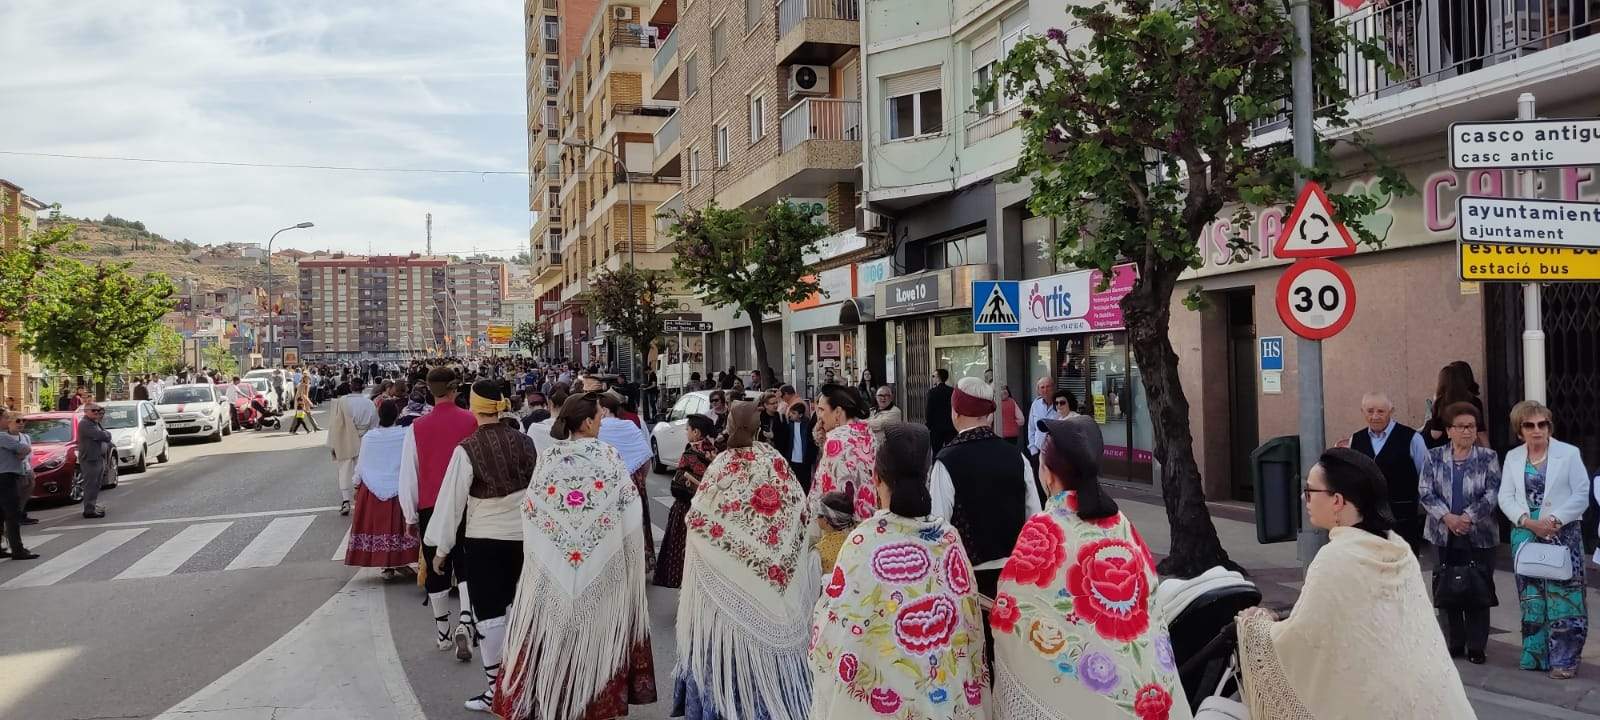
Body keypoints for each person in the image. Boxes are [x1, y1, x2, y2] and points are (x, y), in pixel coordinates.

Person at [1235, 447, 1474, 718]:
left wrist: (1256, 626)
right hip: (1434, 698)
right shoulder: (1398, 547)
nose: (1304, 499)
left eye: (1310, 491)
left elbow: (1302, 639)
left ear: (1337, 500)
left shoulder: (1335, 558)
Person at [991, 415, 1187, 719]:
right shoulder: (1121, 523)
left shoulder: (1044, 528)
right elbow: (1149, 595)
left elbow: (1011, 610)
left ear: (1048, 476)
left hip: (1083, 694)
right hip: (1144, 687)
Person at [494, 392, 657, 720]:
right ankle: (592, 707)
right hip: (602, 570)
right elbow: (629, 510)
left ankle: (553, 703)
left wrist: (547, 550)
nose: (601, 422)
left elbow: (531, 511)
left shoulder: (548, 458)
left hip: (553, 567)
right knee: (597, 642)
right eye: (598, 417)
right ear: (586, 422)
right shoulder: (608, 456)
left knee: (551, 641)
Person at [808, 422, 988, 718]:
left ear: (875, 477)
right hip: (941, 699)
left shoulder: (862, 540)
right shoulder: (947, 538)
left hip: (881, 700)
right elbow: (968, 626)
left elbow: (836, 627)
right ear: (927, 475)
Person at [672, 401, 813, 720]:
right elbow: (799, 511)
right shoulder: (774, 460)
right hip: (770, 582)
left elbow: (699, 520)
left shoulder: (722, 464)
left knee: (726, 651)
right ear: (759, 428)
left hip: (729, 580)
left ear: (730, 427)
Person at [427, 380, 540, 712]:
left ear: (474, 408)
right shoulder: (526, 442)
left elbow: (451, 503)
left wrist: (442, 549)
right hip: (526, 538)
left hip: (485, 541)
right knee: (522, 612)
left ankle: (496, 691)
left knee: (489, 615)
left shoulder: (467, 449)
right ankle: (528, 684)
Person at [930, 378, 1040, 646]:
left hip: (968, 578)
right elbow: (1034, 518)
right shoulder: (1016, 456)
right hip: (1013, 576)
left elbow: (938, 529)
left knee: (975, 653)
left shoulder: (946, 461)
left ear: (955, 412)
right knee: (1009, 651)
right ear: (989, 415)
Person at [1498, 400, 1590, 679]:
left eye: (1542, 424)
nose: (1537, 430)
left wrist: (1554, 521)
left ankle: (1565, 660)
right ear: (1520, 431)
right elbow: (1505, 497)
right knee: (1532, 597)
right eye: (1529, 425)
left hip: (1562, 533)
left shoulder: (1569, 453)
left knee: (1564, 597)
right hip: (1525, 532)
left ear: (1549, 427)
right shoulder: (1513, 457)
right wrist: (1528, 522)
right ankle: (1536, 655)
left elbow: (1581, 494)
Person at [1418, 402, 1500, 665]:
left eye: (1471, 426)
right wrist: (1447, 517)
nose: (1467, 431)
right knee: (1447, 587)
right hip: (1442, 534)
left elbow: (1493, 493)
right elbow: (1425, 491)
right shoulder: (1434, 456)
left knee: (1478, 587)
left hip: (1480, 534)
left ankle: (1476, 646)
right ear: (1449, 430)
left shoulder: (1488, 457)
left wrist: (1467, 517)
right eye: (1462, 427)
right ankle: (1453, 642)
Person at [344, 400, 419, 579]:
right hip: (399, 486)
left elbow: (362, 464)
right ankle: (398, 563)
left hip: (373, 488)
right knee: (397, 528)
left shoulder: (369, 437)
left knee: (379, 527)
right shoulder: (405, 434)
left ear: (379, 416)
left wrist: (356, 484)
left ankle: (387, 566)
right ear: (397, 415)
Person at [1347, 392, 1427, 549]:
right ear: (1362, 412)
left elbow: (1425, 476)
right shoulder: (1355, 440)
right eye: (1370, 411)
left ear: (1391, 411)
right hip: (1368, 521)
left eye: (1381, 411)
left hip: (1403, 519)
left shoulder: (1412, 438)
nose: (1375, 416)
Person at [598, 391, 658, 573]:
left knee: (612, 525)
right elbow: (645, 456)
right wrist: (641, 479)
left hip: (607, 482)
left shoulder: (598, 428)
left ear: (604, 410)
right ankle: (640, 562)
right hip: (633, 480)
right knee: (636, 522)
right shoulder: (630, 426)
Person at [654, 414, 716, 589]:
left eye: (687, 429)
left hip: (686, 505)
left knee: (680, 543)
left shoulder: (690, 454)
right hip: (708, 506)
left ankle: (677, 579)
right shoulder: (715, 451)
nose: (686, 432)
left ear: (696, 432)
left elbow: (678, 482)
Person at [811, 384, 878, 521]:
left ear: (838, 412)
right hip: (870, 515)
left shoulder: (836, 440)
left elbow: (830, 489)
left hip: (845, 522)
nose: (819, 416)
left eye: (822, 410)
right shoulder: (867, 434)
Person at [327, 377, 377, 516]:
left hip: (345, 438)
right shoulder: (369, 403)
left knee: (344, 469)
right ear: (363, 387)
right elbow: (375, 425)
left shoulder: (341, 402)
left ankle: (345, 501)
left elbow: (334, 425)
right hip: (364, 439)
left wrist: (332, 444)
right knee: (363, 470)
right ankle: (361, 499)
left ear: (350, 387)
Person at [0, 409, 40, 560]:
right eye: (6, 418)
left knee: (1, 514)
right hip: (6, 478)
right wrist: (21, 452)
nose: (21, 423)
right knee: (12, 514)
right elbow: (25, 448)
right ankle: (18, 550)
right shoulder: (2, 436)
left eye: (23, 420)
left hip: (7, 476)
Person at [1421, 362, 1487, 449]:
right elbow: (1481, 433)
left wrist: (1429, 424)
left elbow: (1435, 434)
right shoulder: (1475, 401)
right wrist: (1491, 453)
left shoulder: (1440, 402)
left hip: (1442, 449)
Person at [77, 402, 113, 519]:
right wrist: (106, 434)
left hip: (97, 457)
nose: (96, 413)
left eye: (98, 411)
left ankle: (92, 505)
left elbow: (105, 435)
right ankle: (89, 510)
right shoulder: (85, 424)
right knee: (91, 485)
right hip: (90, 459)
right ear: (86, 411)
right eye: (93, 410)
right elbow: (102, 436)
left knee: (96, 485)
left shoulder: (94, 423)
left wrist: (105, 434)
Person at [772, 401, 818, 494]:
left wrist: (811, 458)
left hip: (804, 461)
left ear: (800, 415)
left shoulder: (807, 426)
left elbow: (812, 443)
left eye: (794, 413)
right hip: (791, 460)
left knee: (805, 485)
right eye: (790, 412)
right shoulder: (788, 425)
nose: (790, 415)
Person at [810, 490, 856, 576]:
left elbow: (813, 583)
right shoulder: (854, 543)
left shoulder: (818, 553)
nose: (816, 518)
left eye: (818, 514)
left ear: (826, 520)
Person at [1026, 377, 1057, 476]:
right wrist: (1033, 450)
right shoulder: (1035, 404)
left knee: (1056, 482)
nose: (1045, 390)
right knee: (1038, 482)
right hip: (1038, 452)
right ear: (1038, 390)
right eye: (1042, 387)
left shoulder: (1060, 404)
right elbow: (1031, 428)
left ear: (1053, 388)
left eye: (1048, 386)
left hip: (1056, 453)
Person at [925, 368, 955, 451]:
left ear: (938, 378)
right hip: (951, 426)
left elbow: (929, 410)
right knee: (950, 451)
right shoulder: (952, 391)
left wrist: (928, 425)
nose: (932, 378)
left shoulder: (932, 392)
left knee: (936, 451)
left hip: (936, 428)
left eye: (933, 376)